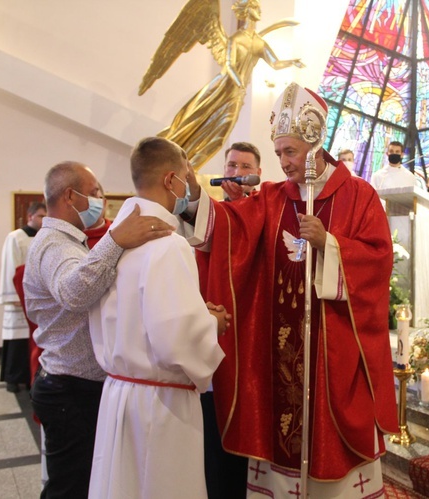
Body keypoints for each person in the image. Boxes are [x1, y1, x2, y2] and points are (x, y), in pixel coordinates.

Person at [184, 82, 398, 497]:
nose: (283, 162)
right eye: (279, 152)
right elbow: (232, 232)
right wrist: (195, 197)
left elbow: (378, 261)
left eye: (290, 152)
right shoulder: (271, 198)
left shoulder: (359, 196)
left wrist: (329, 244)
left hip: (333, 353)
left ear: (315, 146)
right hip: (281, 349)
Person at [24, 161, 173, 499]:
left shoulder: (70, 242)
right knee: (69, 487)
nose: (100, 202)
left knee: (84, 480)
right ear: (69, 196)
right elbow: (74, 293)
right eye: (93, 194)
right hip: (68, 387)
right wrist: (115, 238)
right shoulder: (54, 244)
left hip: (77, 384)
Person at [88, 137, 226, 499]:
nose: (187, 187)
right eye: (186, 177)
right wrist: (213, 325)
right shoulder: (168, 243)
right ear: (170, 180)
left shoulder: (114, 241)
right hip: (160, 406)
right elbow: (175, 340)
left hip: (119, 393)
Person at [142, 0, 304, 170]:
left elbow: (275, 63)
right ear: (247, 11)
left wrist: (293, 62)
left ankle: (187, 172)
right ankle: (170, 158)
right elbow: (229, 65)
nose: (259, 11)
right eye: (256, 8)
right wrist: (239, 82)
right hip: (221, 88)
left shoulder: (259, 43)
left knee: (220, 135)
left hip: (236, 94)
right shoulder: (237, 38)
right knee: (192, 121)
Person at [0, 201, 46, 392]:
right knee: (17, 341)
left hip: (36, 298)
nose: (44, 220)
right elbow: (12, 266)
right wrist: (16, 295)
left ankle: (28, 377)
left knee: (31, 342)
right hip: (19, 298)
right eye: (41, 216)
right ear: (30, 217)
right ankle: (13, 378)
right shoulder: (16, 237)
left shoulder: (45, 238)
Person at [83, 183, 112, 249]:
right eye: (88, 198)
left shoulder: (116, 235)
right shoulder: (68, 236)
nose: (91, 203)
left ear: (104, 203)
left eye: (97, 198)